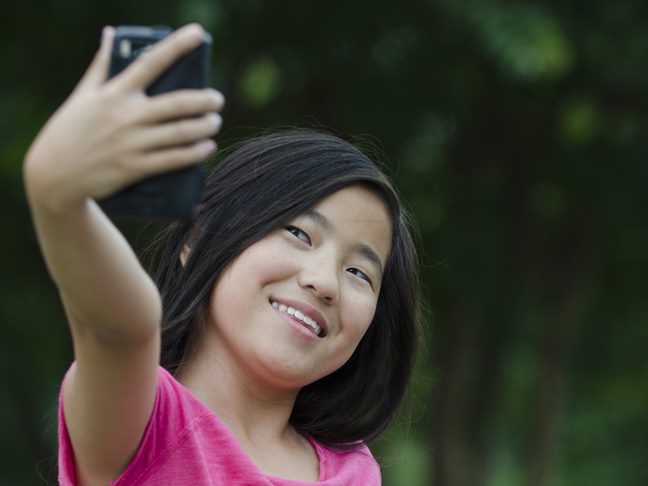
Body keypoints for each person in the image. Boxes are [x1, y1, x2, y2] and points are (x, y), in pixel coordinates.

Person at [24, 23, 420, 486]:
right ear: (196, 238)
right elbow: (121, 329)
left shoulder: (353, 472)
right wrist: (58, 201)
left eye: (358, 272)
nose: (325, 281)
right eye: (297, 232)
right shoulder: (142, 420)